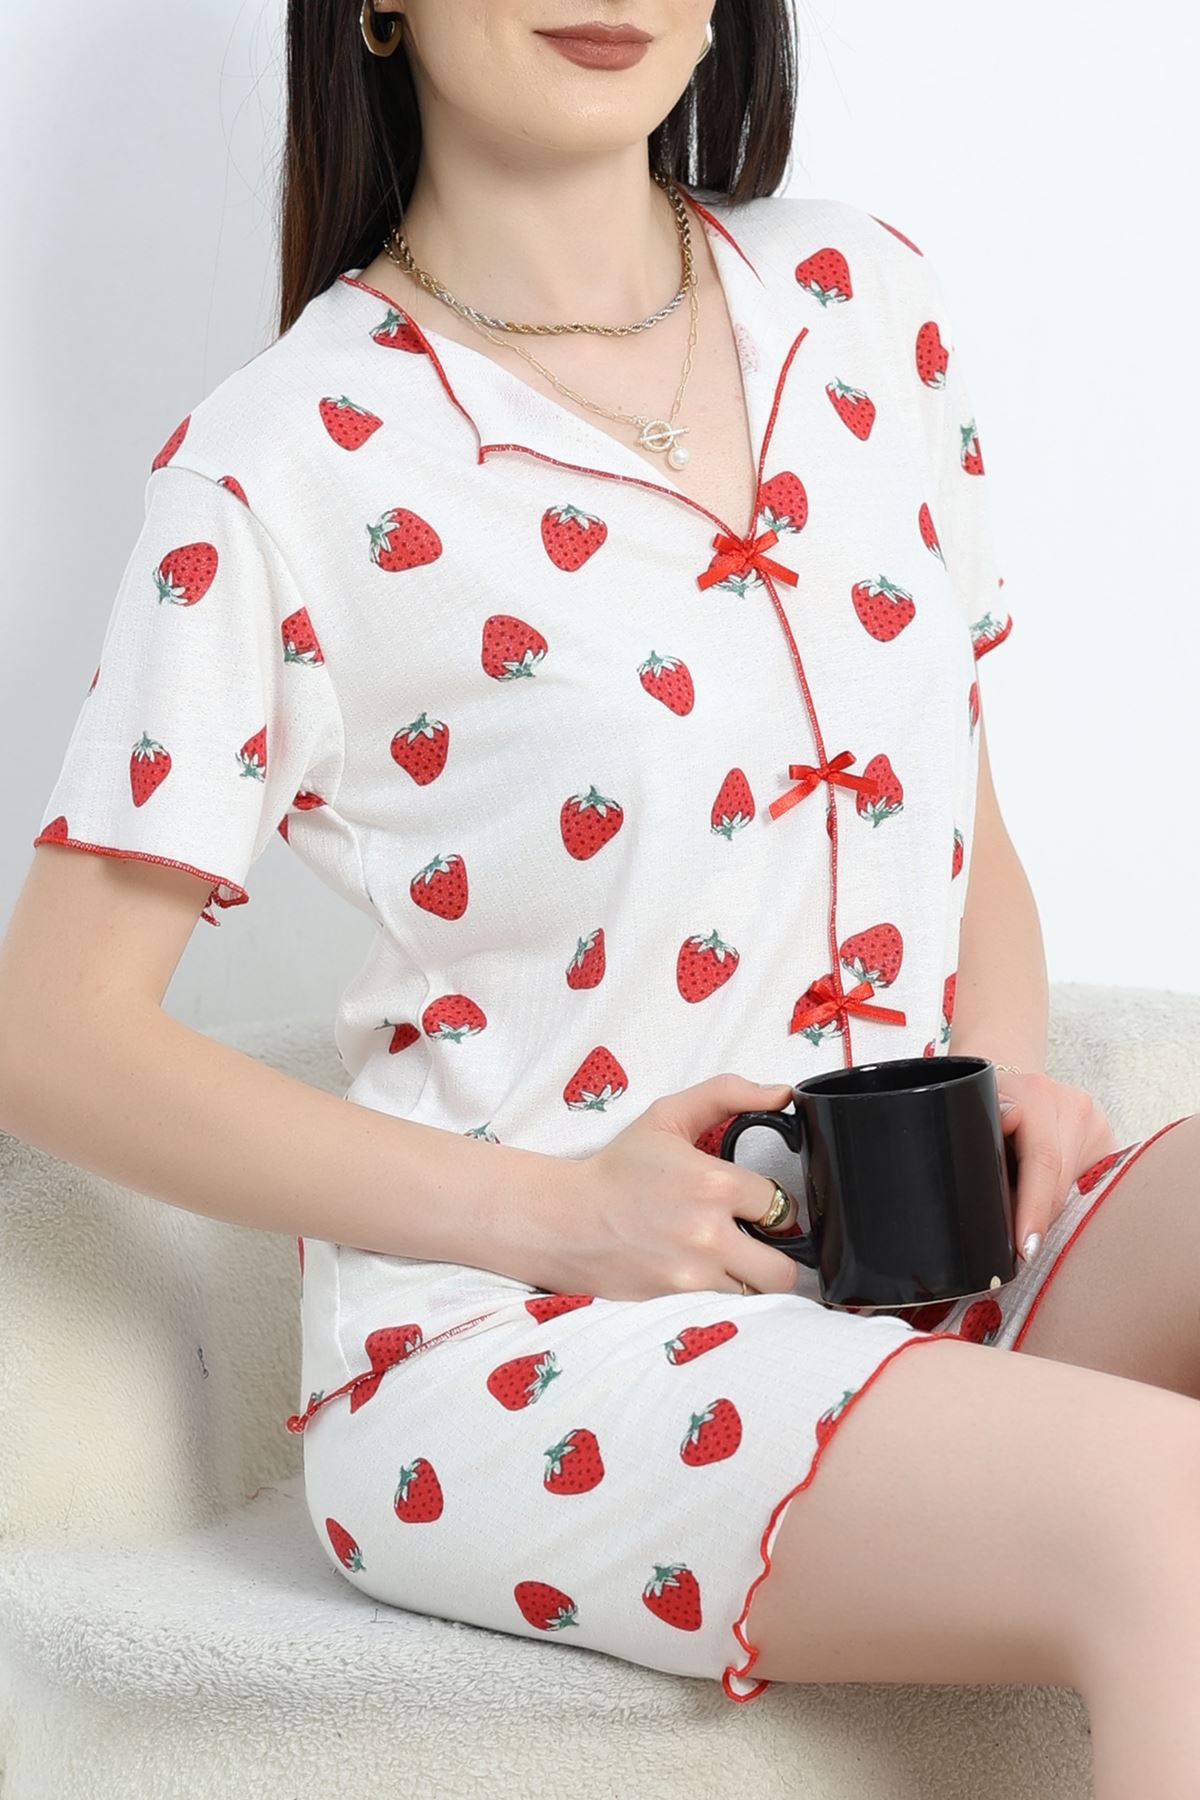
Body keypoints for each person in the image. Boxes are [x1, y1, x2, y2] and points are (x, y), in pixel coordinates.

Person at [1, 2, 1198, 1788]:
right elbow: (52, 1036)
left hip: (918, 1245)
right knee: (1162, 1516)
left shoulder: (865, 302)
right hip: (532, 1350)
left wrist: (999, 1082)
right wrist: (561, 1216)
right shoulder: (282, 460)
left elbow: (963, 812)